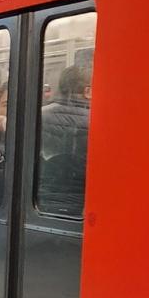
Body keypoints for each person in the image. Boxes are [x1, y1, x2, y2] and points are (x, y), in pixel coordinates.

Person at [38, 65, 91, 216]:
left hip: (46, 194)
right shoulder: (97, 120)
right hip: (80, 197)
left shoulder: (42, 114)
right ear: (87, 92)